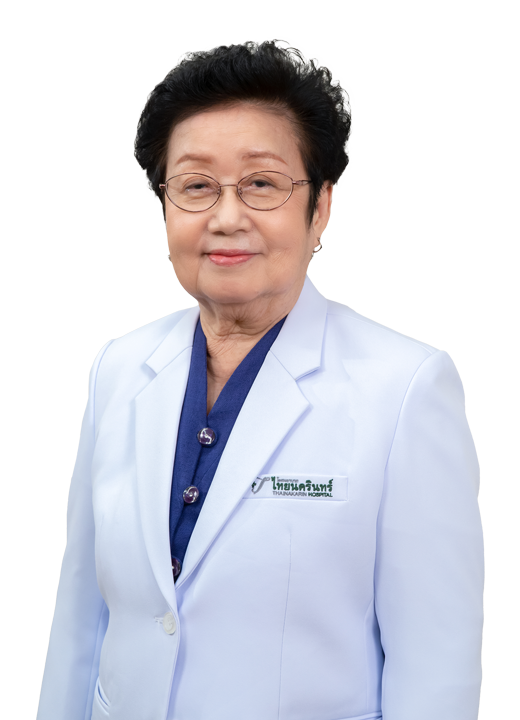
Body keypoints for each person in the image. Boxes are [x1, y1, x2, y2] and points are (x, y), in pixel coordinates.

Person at [36, 39, 484, 720]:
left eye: (262, 184)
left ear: (321, 205)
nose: (226, 218)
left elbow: (434, 671)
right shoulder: (120, 367)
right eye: (196, 186)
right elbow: (80, 621)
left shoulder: (406, 389)